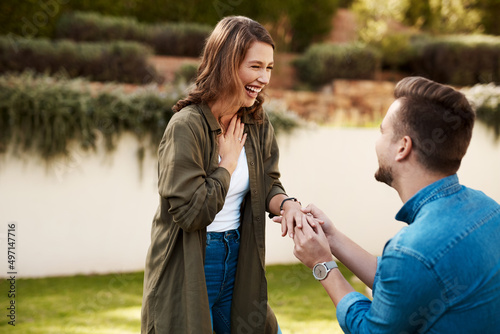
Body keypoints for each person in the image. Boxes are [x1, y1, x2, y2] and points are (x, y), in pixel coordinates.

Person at [281, 76, 500, 333]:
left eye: (382, 131)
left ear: (402, 147)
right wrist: (331, 238)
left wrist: (322, 265)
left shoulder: (412, 251)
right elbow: (404, 283)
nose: (377, 141)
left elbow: (371, 330)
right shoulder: (488, 209)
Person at [141, 16, 308, 334]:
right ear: (227, 64)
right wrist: (227, 165)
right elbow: (192, 213)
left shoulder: (257, 122)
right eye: (255, 66)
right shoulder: (186, 126)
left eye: (269, 68)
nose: (264, 78)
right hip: (192, 265)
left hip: (239, 257)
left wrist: (287, 204)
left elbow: (268, 181)